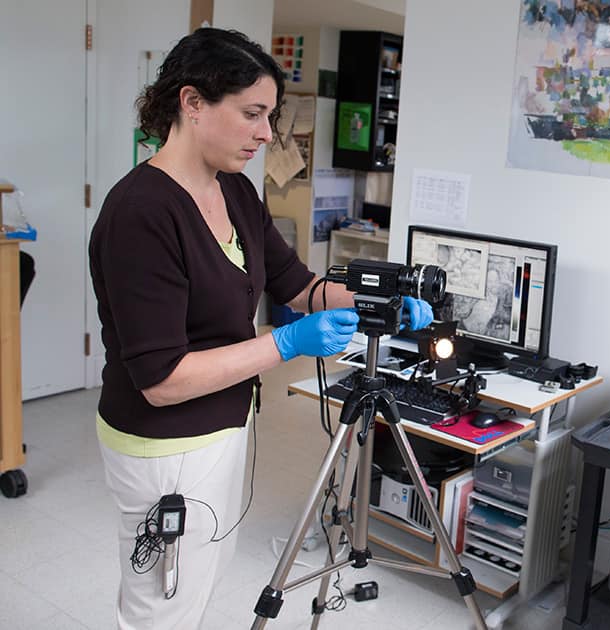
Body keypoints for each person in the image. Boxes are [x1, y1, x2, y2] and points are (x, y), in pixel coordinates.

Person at [88, 28, 432, 629]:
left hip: (225, 422)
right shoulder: (142, 212)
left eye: (269, 116)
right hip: (165, 444)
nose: (266, 134)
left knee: (199, 580)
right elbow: (162, 380)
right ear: (192, 103)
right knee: (162, 605)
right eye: (252, 114)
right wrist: (284, 342)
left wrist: (384, 302)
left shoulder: (238, 192)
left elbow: (299, 286)